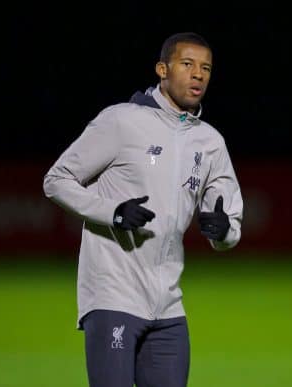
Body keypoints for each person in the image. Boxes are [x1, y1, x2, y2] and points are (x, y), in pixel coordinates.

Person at [42, 32, 243, 387]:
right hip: (113, 295)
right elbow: (56, 180)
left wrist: (224, 230)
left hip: (168, 306)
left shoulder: (210, 142)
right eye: (187, 64)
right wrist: (113, 212)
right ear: (162, 70)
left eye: (206, 68)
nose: (198, 74)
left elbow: (228, 228)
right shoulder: (121, 121)